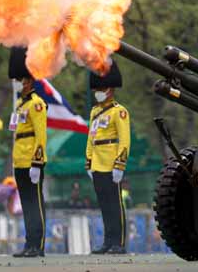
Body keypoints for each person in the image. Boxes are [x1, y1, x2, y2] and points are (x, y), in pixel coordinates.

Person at [86, 60, 130, 255]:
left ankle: (118, 242)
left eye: (102, 88)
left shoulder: (119, 112)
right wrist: (88, 162)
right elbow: (91, 139)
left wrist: (119, 165)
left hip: (112, 164)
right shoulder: (94, 112)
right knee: (104, 204)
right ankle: (107, 241)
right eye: (97, 88)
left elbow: (124, 141)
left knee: (115, 205)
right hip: (97, 165)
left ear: (110, 89)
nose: (98, 92)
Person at [8, 47, 48, 258]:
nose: (17, 82)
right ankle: (29, 243)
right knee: (26, 204)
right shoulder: (18, 105)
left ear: (29, 81)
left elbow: (40, 136)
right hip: (19, 162)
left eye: (20, 79)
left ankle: (38, 245)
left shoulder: (37, 105)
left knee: (36, 204)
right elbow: (16, 134)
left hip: (32, 162)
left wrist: (37, 162)